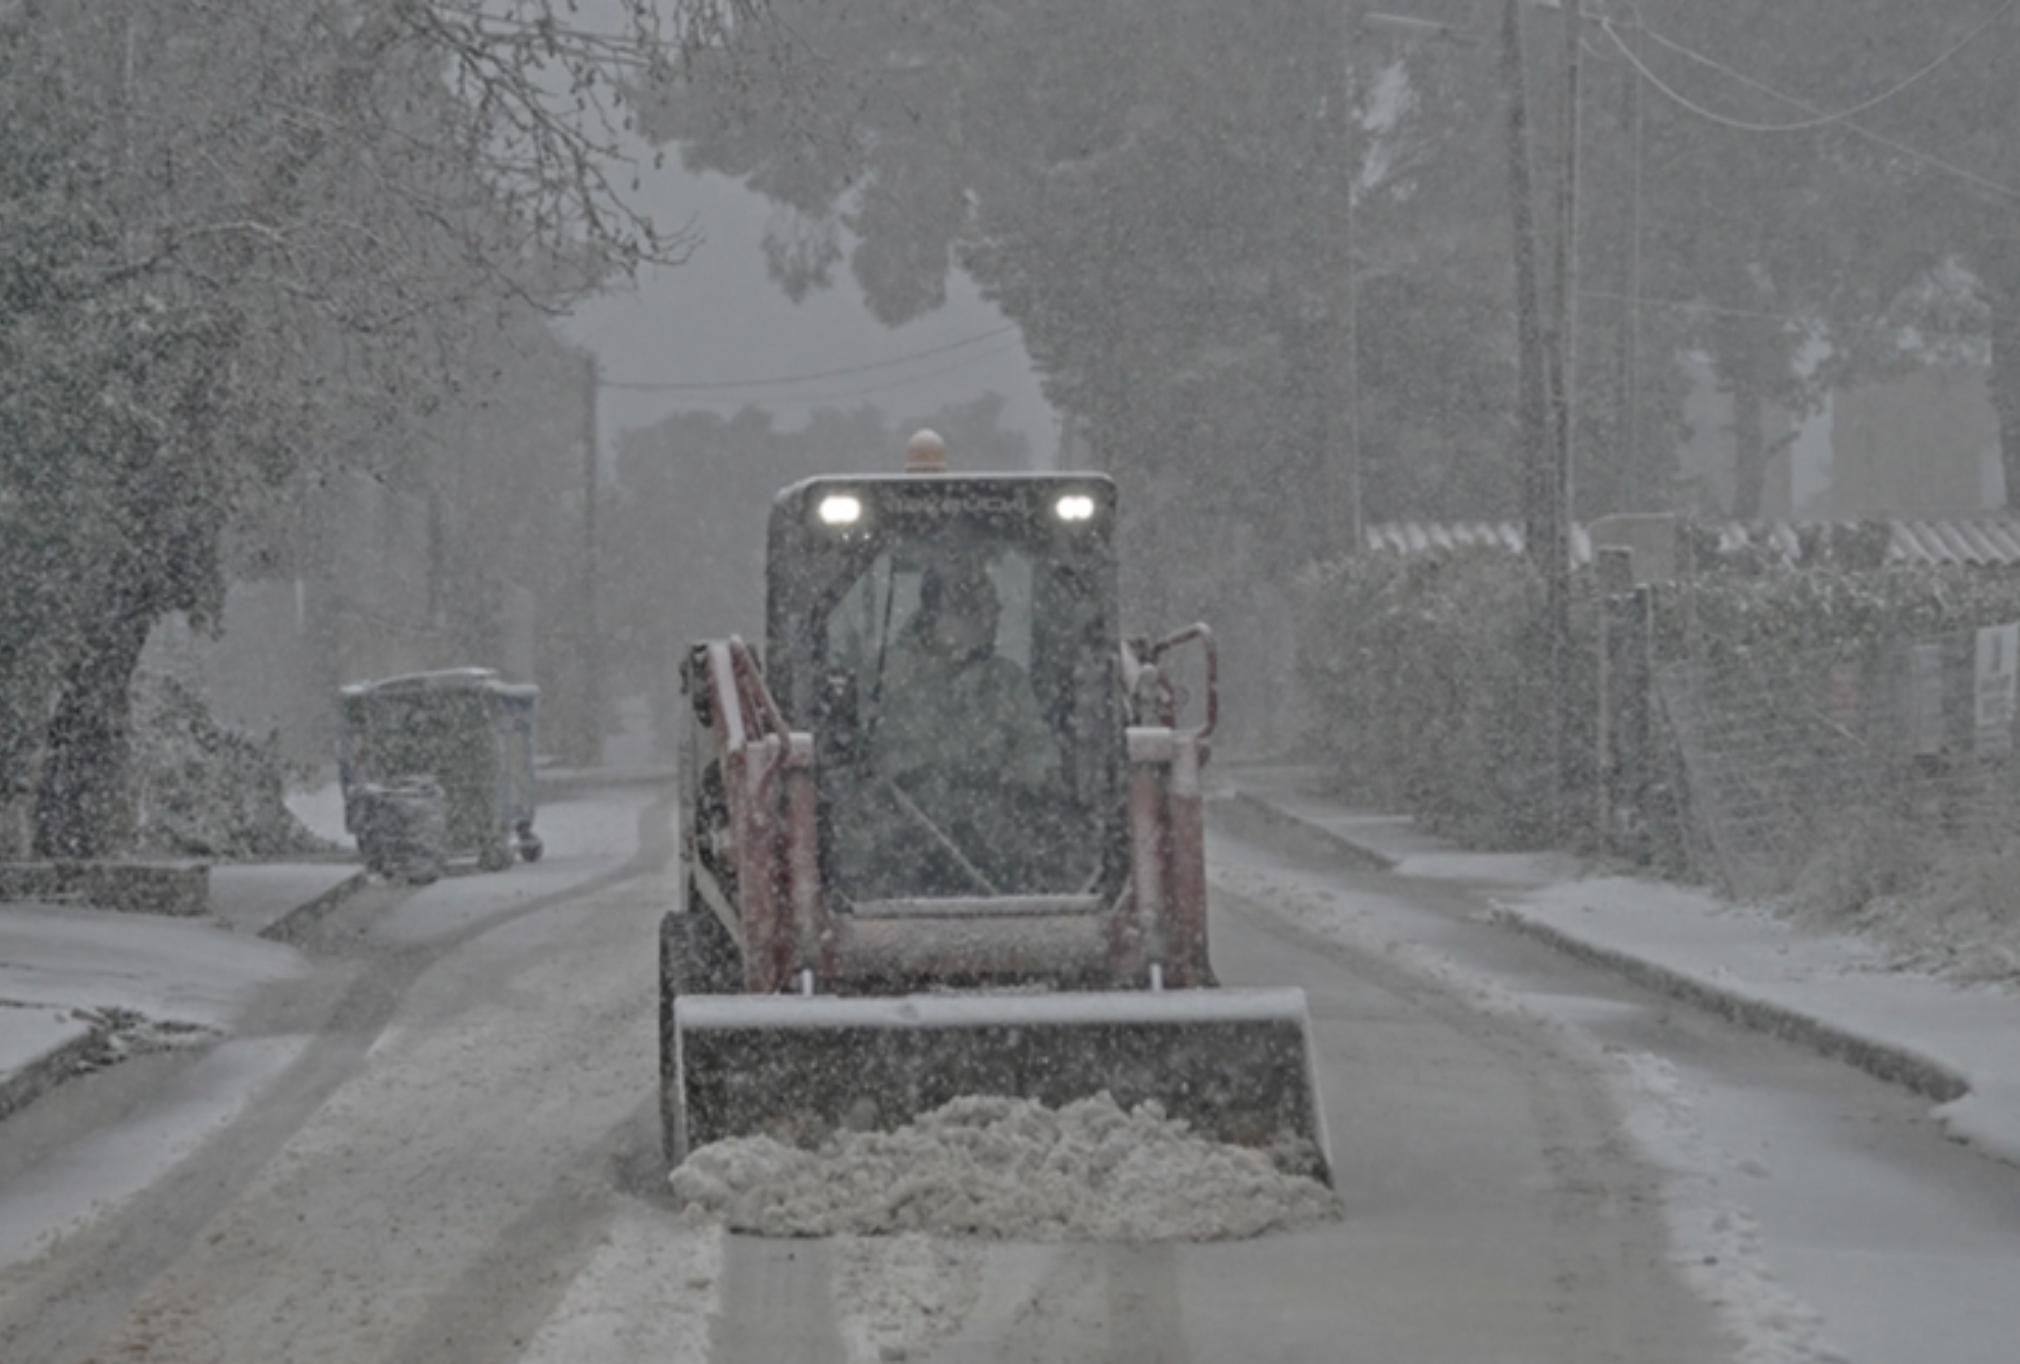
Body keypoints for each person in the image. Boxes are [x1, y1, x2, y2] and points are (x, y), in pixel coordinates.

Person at [858, 558, 1064, 891]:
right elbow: (870, 767)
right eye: (971, 607)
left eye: (992, 607)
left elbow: (1039, 754)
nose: (991, 617)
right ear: (933, 615)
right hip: (897, 865)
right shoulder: (885, 681)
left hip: (999, 867)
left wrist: (1019, 780)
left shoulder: (1007, 683)